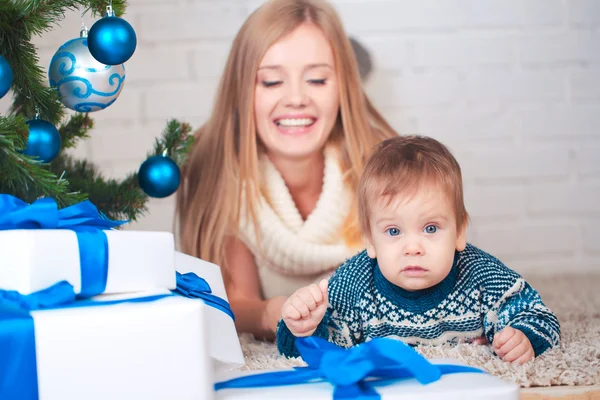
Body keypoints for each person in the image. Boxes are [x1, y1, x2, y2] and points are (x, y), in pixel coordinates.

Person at [176, 0, 399, 340]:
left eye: (317, 79)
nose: (296, 98)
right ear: (242, 91)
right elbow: (236, 302)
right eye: (271, 82)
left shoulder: (384, 165)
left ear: (343, 87)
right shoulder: (224, 175)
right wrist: (274, 312)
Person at [277, 135, 561, 364]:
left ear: (460, 231)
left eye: (430, 229)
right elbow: (312, 352)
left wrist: (523, 337)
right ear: (370, 242)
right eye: (393, 231)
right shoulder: (353, 284)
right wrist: (303, 328)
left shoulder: (481, 274)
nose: (413, 248)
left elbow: (538, 315)